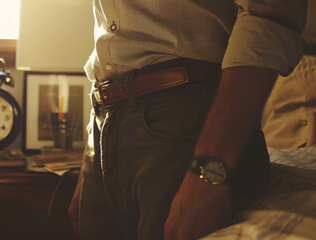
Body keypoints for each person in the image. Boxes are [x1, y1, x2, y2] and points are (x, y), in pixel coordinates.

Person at [68, 0, 308, 239]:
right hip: (103, 124)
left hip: (186, 118)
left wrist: (211, 172)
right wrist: (94, 155)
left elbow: (269, 14)